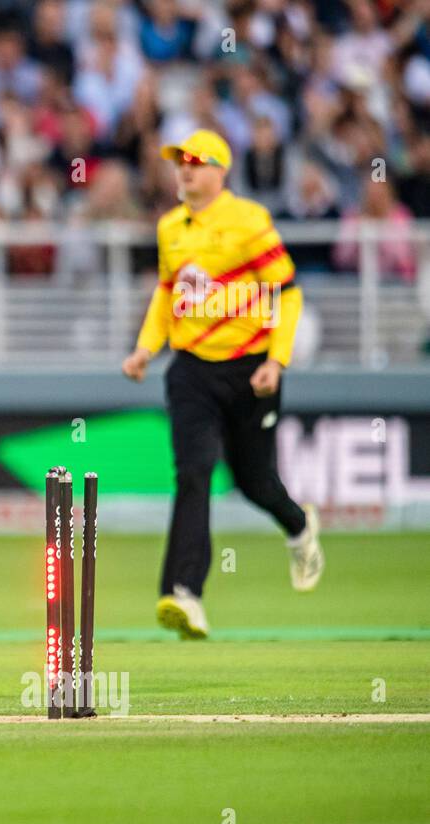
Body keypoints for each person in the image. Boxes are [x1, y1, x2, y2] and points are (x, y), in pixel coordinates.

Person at [120, 130, 323, 640]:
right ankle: (184, 593)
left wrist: (277, 361)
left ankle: (299, 529)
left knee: (256, 483)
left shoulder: (249, 222)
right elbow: (167, 297)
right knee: (194, 472)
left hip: (250, 369)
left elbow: (288, 295)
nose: (184, 170)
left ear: (220, 170)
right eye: (179, 162)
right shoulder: (170, 227)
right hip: (191, 371)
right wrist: (146, 347)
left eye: (195, 162)